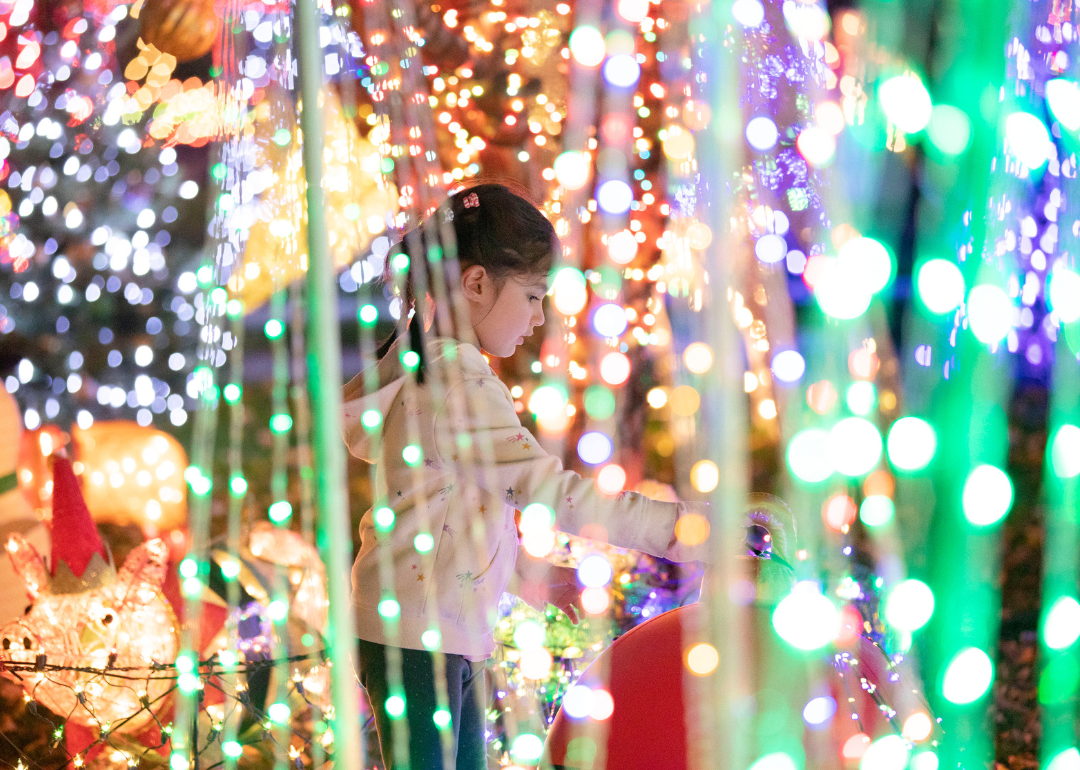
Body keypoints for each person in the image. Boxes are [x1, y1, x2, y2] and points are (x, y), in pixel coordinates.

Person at [341, 183, 703, 769]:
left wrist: (532, 575)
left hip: (426, 630)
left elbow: (450, 521)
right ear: (477, 284)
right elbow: (548, 491)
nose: (539, 319)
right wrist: (684, 531)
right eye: (533, 297)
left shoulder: (435, 373)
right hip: (420, 640)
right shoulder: (459, 387)